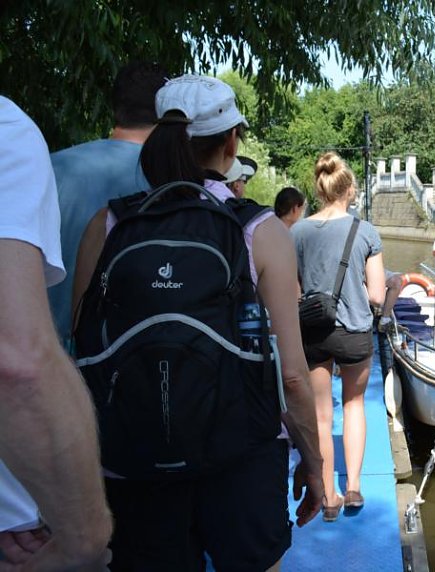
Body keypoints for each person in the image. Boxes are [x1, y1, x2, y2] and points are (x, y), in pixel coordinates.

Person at [71, 75, 323, 570]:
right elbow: (292, 374)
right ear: (231, 143)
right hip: (242, 457)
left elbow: (78, 353)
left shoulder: (108, 224)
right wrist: (314, 464)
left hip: (132, 460)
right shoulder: (259, 229)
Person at [0, 97, 112, 569]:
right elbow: (18, 359)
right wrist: (85, 535)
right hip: (43, 475)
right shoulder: (9, 132)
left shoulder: (61, 163)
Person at [291, 152, 386, 522]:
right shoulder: (365, 231)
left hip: (312, 331)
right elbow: (377, 295)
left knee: (320, 413)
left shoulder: (296, 230)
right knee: (353, 406)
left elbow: (294, 289)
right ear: (349, 190)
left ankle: (327, 495)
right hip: (354, 332)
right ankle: (354, 488)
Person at [47, 61, 168, 351]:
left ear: (115, 107)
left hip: (42, 361)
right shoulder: (168, 182)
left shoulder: (49, 166)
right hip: (126, 367)